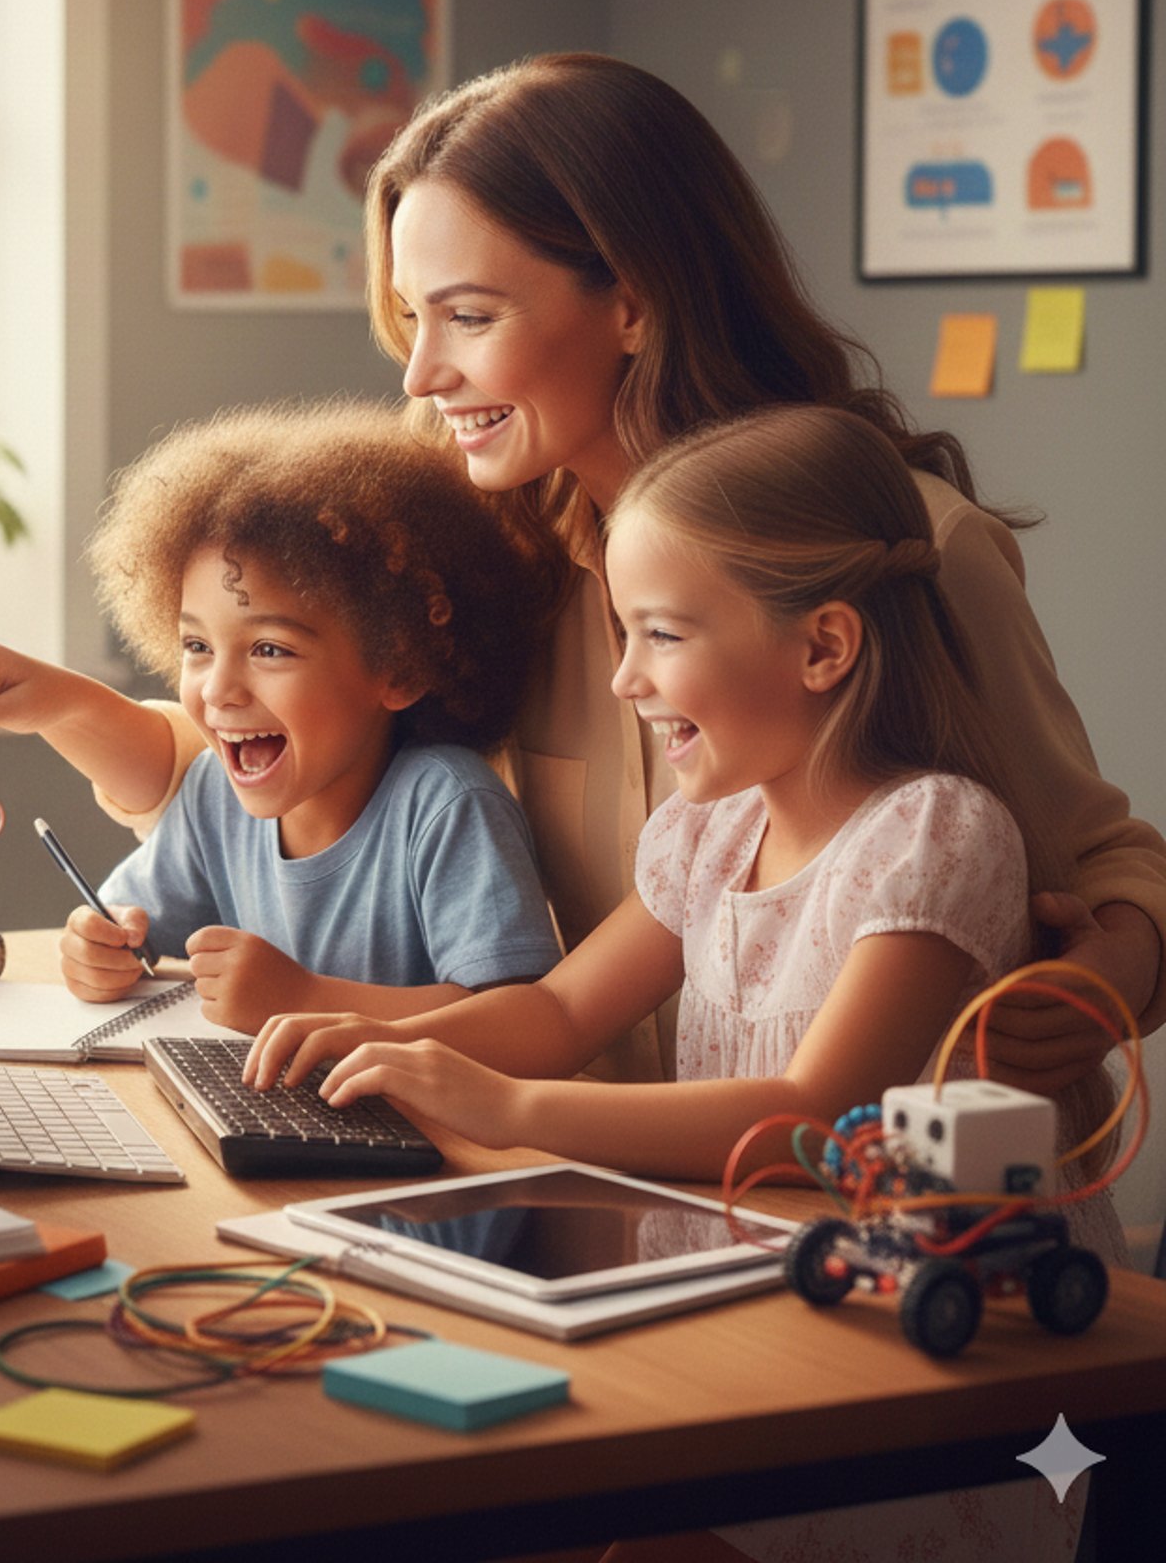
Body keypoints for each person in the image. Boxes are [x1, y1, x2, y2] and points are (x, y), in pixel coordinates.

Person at [0, 54, 1166, 1087]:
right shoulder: (490, 554)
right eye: (412, 317)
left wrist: (1109, 975)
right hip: (629, 1196)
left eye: (470, 317)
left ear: (632, 302)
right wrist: (58, 702)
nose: (419, 375)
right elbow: (298, 754)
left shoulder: (907, 548)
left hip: (909, 1220)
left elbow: (1109, 866)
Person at [247, 404, 1116, 1563]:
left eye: (658, 636)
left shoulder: (933, 837)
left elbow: (814, 1117)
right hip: (742, 1337)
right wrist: (367, 1034)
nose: (621, 681)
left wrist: (506, 1110)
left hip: (909, 1367)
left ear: (824, 648)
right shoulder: (706, 835)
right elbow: (559, 1011)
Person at [39, 400, 564, 1031]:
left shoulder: (447, 806)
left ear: (399, 668)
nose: (219, 690)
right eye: (198, 647)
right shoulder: (214, 796)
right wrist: (98, 950)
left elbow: (515, 1016)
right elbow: (131, 929)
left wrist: (309, 997)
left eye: (269, 650)